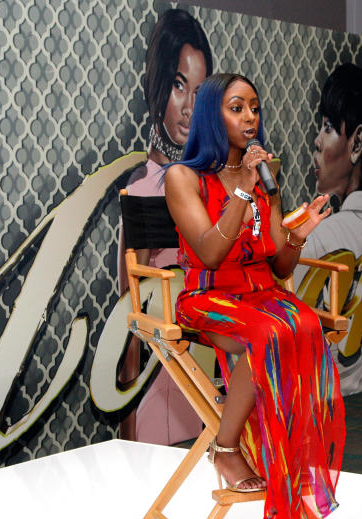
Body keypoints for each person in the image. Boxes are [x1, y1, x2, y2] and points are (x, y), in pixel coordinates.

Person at [163, 73, 344, 519]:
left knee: (304, 326)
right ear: (211, 117)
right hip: (209, 296)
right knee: (265, 336)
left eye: (254, 109)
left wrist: (299, 234)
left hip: (261, 293)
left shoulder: (267, 177)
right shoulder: (182, 178)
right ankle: (225, 448)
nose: (250, 118)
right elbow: (211, 251)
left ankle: (284, 462)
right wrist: (242, 192)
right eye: (237, 108)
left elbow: (281, 267)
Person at [117, 8, 212, 444]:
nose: (190, 108)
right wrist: (128, 429)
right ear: (158, 84)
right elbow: (130, 325)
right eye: (179, 86)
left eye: (199, 90)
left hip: (204, 371)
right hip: (157, 386)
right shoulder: (140, 191)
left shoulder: (211, 187)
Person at [295, 63, 362, 393]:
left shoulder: (322, 240)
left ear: (357, 142)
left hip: (324, 404)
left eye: (327, 127)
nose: (317, 140)